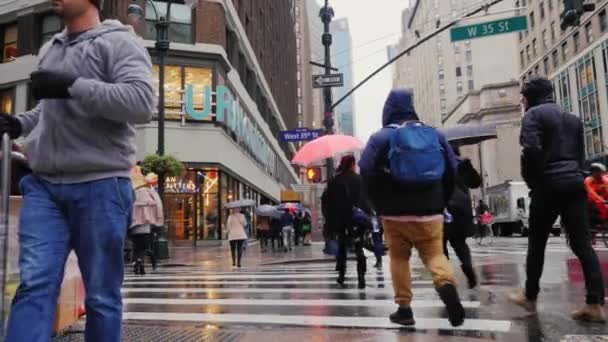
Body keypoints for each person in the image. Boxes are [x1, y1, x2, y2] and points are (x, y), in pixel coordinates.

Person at [1, 0, 155, 339]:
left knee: (101, 296)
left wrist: (72, 85)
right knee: (35, 284)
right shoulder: (49, 49)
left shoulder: (119, 42)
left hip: (100, 185)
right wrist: (19, 123)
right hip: (43, 187)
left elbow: (141, 102)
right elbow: (49, 110)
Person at [359, 89, 464, 327]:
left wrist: (378, 202)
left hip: (394, 214)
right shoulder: (435, 134)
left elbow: (365, 170)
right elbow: (451, 171)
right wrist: (442, 201)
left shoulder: (380, 138)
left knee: (399, 257)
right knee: (435, 255)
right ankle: (446, 285)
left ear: (387, 110)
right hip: (431, 211)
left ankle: (404, 309)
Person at [510, 76, 605, 322]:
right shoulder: (572, 118)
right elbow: (581, 157)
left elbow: (531, 150)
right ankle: (594, 304)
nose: (523, 102)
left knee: (537, 242)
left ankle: (530, 295)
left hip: (548, 185)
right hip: (574, 184)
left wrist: (535, 181)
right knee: (583, 245)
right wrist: (578, 177)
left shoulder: (533, 116)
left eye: (523, 97)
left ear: (530, 97)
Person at [324, 155, 372, 289]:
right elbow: (365, 200)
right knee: (358, 247)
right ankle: (361, 276)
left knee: (342, 246)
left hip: (340, 220)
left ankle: (341, 275)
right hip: (357, 219)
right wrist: (368, 215)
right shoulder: (359, 180)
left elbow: (327, 202)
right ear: (352, 164)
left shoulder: (334, 181)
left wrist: (330, 221)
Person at [444, 144, 481, 289]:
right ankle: (467, 266)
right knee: (460, 243)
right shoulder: (461, 164)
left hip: (443, 206)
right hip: (462, 208)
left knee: (440, 246)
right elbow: (476, 183)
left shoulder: (437, 162)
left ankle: (446, 278)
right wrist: (467, 165)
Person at [130, 167, 163, 275]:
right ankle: (140, 261)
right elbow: (158, 206)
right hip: (146, 223)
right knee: (144, 246)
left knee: (136, 246)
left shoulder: (131, 191)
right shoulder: (150, 192)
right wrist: (159, 221)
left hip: (133, 224)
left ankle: (136, 262)